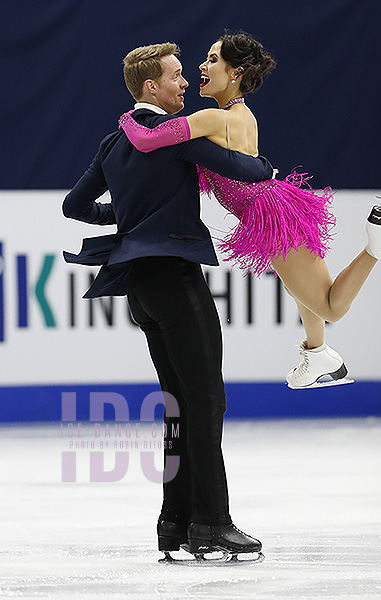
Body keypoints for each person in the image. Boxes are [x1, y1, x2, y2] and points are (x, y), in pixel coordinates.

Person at [118, 31, 381, 389]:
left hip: (271, 216)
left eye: (212, 60)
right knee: (301, 288)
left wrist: (128, 118)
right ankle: (317, 355)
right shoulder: (239, 114)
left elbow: (149, 139)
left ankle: (379, 240)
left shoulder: (215, 117)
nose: (201, 66)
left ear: (235, 73)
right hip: (274, 210)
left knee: (330, 306)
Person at [62, 42, 273, 561]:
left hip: (140, 287)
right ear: (151, 86)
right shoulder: (174, 141)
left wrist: (132, 218)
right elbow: (248, 171)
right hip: (176, 281)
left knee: (178, 407)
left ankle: (172, 522)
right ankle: (211, 522)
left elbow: (75, 206)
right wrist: (269, 169)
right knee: (204, 402)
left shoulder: (115, 142)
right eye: (177, 76)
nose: (186, 83)